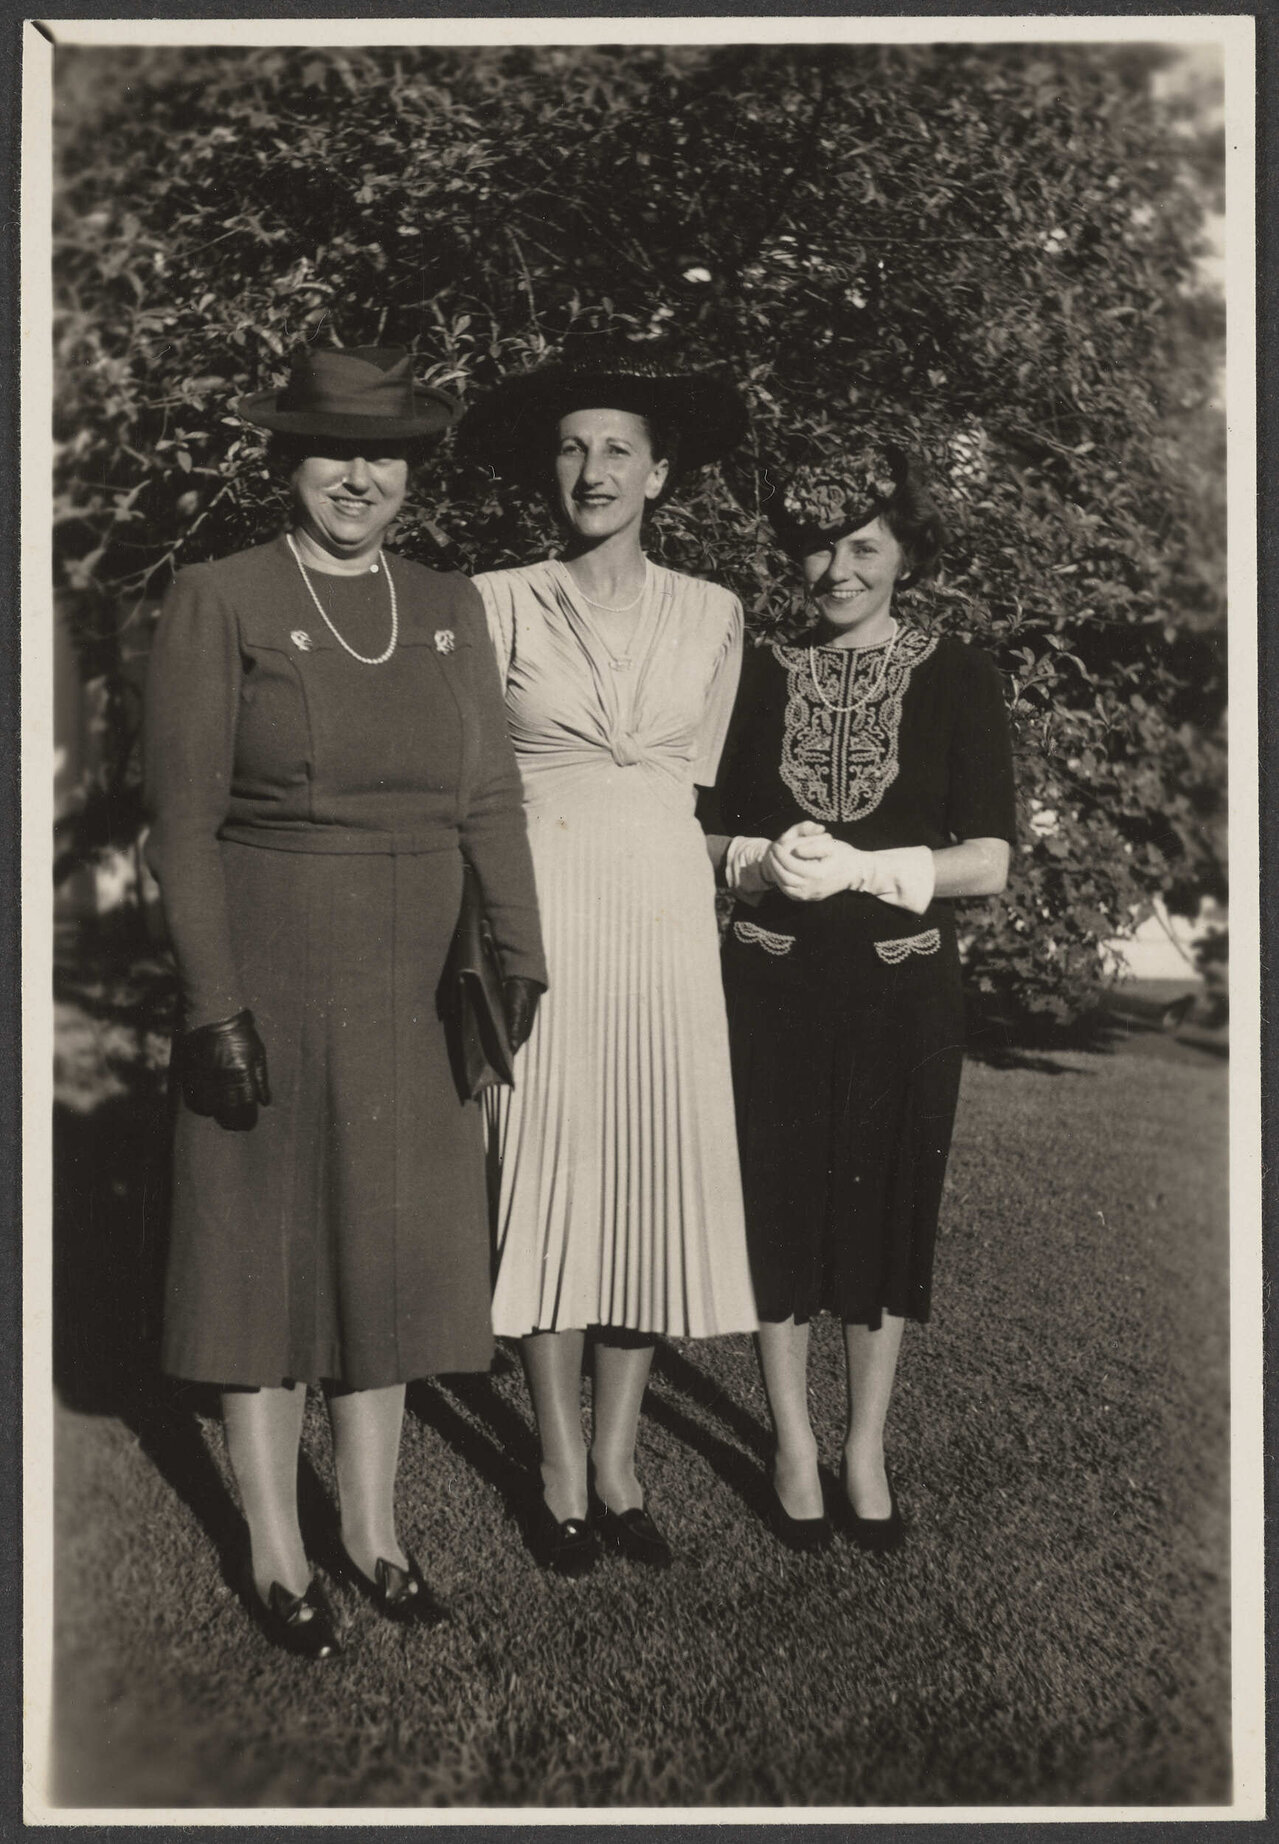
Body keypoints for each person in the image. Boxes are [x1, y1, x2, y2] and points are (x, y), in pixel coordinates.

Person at [144, 347, 546, 1655]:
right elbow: (183, 825)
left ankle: (372, 1533)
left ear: (411, 475)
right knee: (263, 1270)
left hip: (418, 984)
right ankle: (272, 1548)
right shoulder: (220, 597)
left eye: (382, 457)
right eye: (331, 453)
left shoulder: (445, 604)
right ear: (287, 463)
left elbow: (488, 795)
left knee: (388, 1266)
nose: (359, 478)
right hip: (269, 961)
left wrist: (517, 955)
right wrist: (212, 1005)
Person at [461, 346, 758, 1575]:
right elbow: (472, 791)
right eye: (574, 447)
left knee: (647, 1190)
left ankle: (620, 1458)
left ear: (660, 473)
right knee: (551, 1184)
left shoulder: (715, 610)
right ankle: (553, 1463)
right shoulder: (490, 600)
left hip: (665, 926)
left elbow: (702, 789)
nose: (592, 470)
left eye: (618, 449)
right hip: (543, 921)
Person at [703, 445, 1016, 1552]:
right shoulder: (755, 671)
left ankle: (864, 1444)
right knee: (780, 1208)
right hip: (773, 977)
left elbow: (990, 858)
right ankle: (791, 1440)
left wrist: (879, 870)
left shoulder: (958, 677)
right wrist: (751, 854)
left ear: (906, 557)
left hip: (900, 989)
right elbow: (692, 828)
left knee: (883, 1212)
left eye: (864, 547)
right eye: (819, 547)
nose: (836, 570)